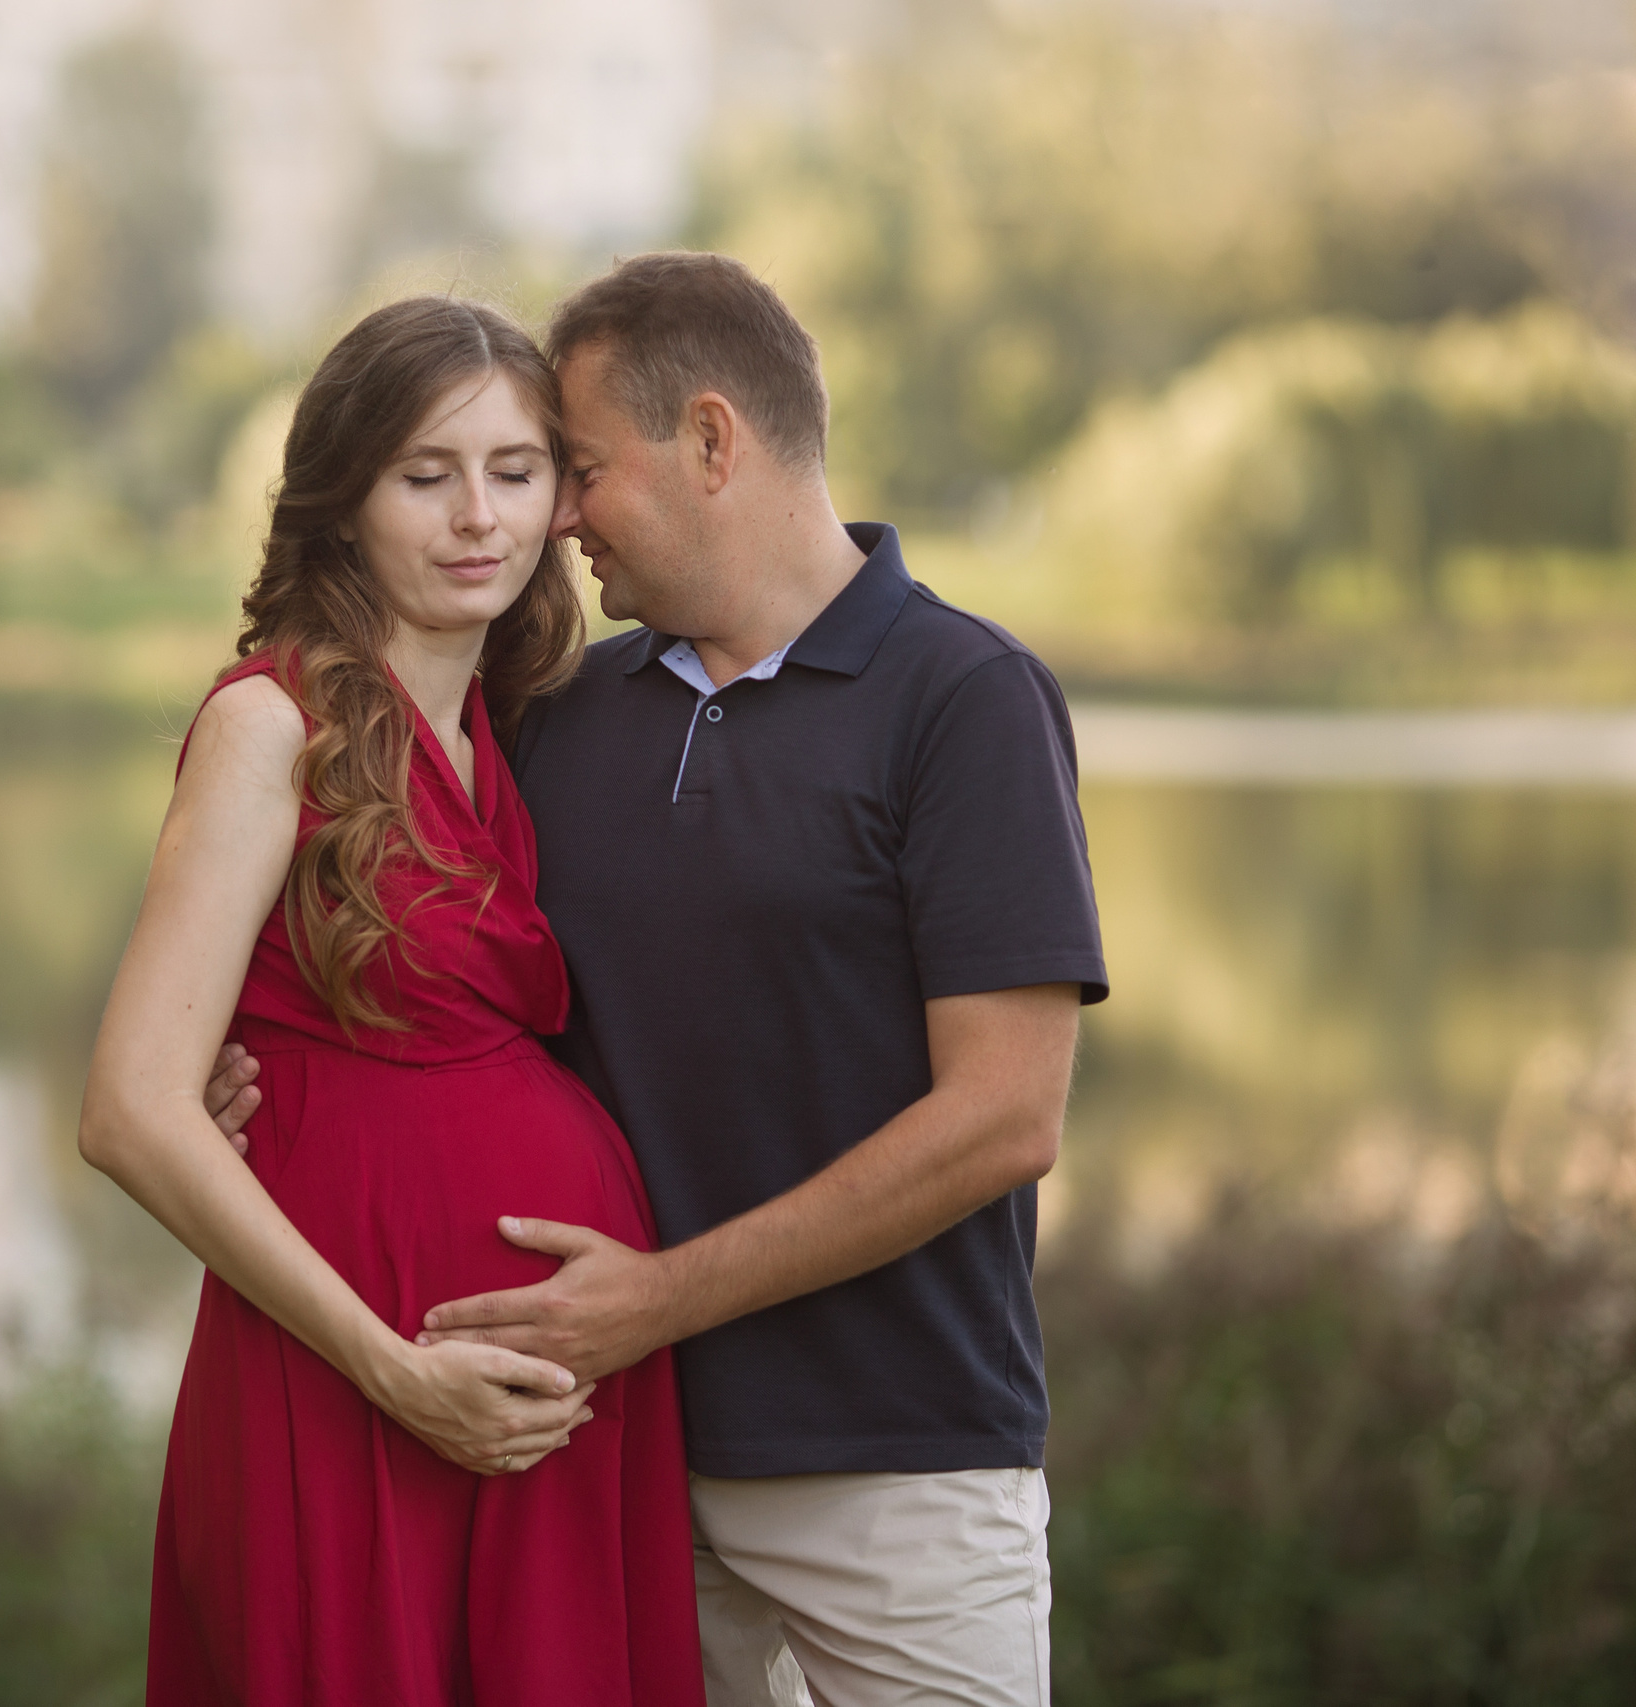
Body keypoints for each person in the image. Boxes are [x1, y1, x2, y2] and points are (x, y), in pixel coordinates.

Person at [207, 253, 1110, 1706]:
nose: (550, 520)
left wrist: (657, 1300)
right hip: (607, 1464)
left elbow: (1006, 1117)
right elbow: (412, 957)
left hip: (891, 1467)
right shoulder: (563, 715)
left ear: (708, 441)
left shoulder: (963, 701)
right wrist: (250, 1066)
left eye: (572, 470)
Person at [79, 295, 703, 1706]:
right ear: (343, 501)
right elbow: (130, 1109)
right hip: (348, 1379)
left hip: (545, 1400)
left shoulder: (514, 724)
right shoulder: (269, 724)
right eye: (427, 475)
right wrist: (394, 1373)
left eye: (516, 470)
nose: (477, 514)